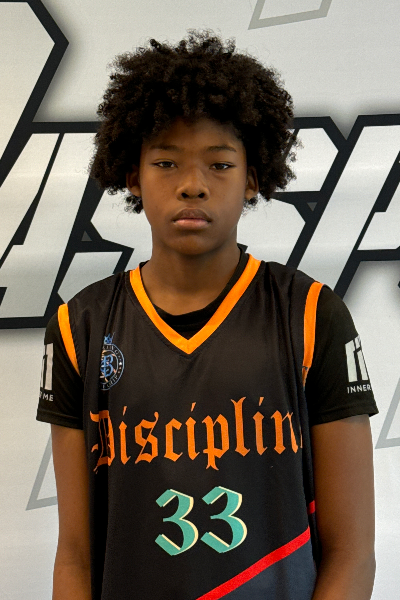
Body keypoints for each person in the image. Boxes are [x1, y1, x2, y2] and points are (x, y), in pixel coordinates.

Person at [37, 31, 378, 600]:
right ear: (132, 174)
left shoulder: (311, 315)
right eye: (165, 162)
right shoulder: (81, 327)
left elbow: (353, 553)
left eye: (219, 164)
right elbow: (74, 556)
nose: (192, 185)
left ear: (252, 178)